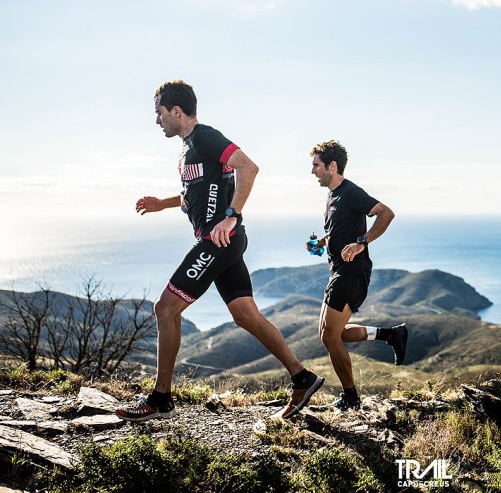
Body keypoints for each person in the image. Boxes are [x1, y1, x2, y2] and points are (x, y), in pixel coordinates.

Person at [116, 80, 322, 422]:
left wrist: (232, 215)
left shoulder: (205, 137)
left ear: (176, 111)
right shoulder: (188, 150)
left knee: (165, 310)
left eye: (159, 113)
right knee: (245, 315)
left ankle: (160, 398)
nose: (157, 121)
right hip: (225, 242)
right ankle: (302, 378)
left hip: (218, 240)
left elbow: (248, 167)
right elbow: (195, 195)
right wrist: (162, 204)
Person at [308, 140, 406, 411]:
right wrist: (322, 244)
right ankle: (388, 334)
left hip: (352, 273)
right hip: (339, 270)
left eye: (316, 165)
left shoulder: (351, 192)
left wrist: (363, 241)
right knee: (329, 335)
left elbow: (386, 213)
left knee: (329, 337)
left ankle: (350, 397)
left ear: (332, 166)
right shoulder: (332, 196)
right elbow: (338, 231)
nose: (312, 171)